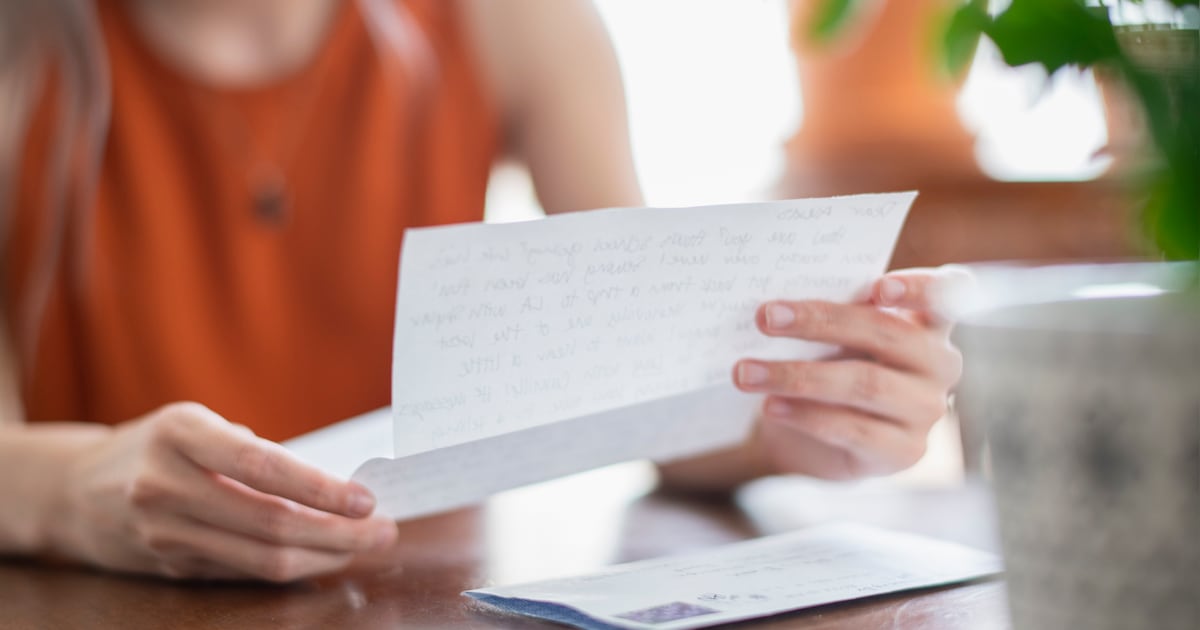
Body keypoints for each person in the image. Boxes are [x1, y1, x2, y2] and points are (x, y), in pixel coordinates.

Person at [0, 0, 964, 582]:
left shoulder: (510, 21)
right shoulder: (26, 59)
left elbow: (651, 396)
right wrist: (69, 493)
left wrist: (788, 421)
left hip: (416, 599)